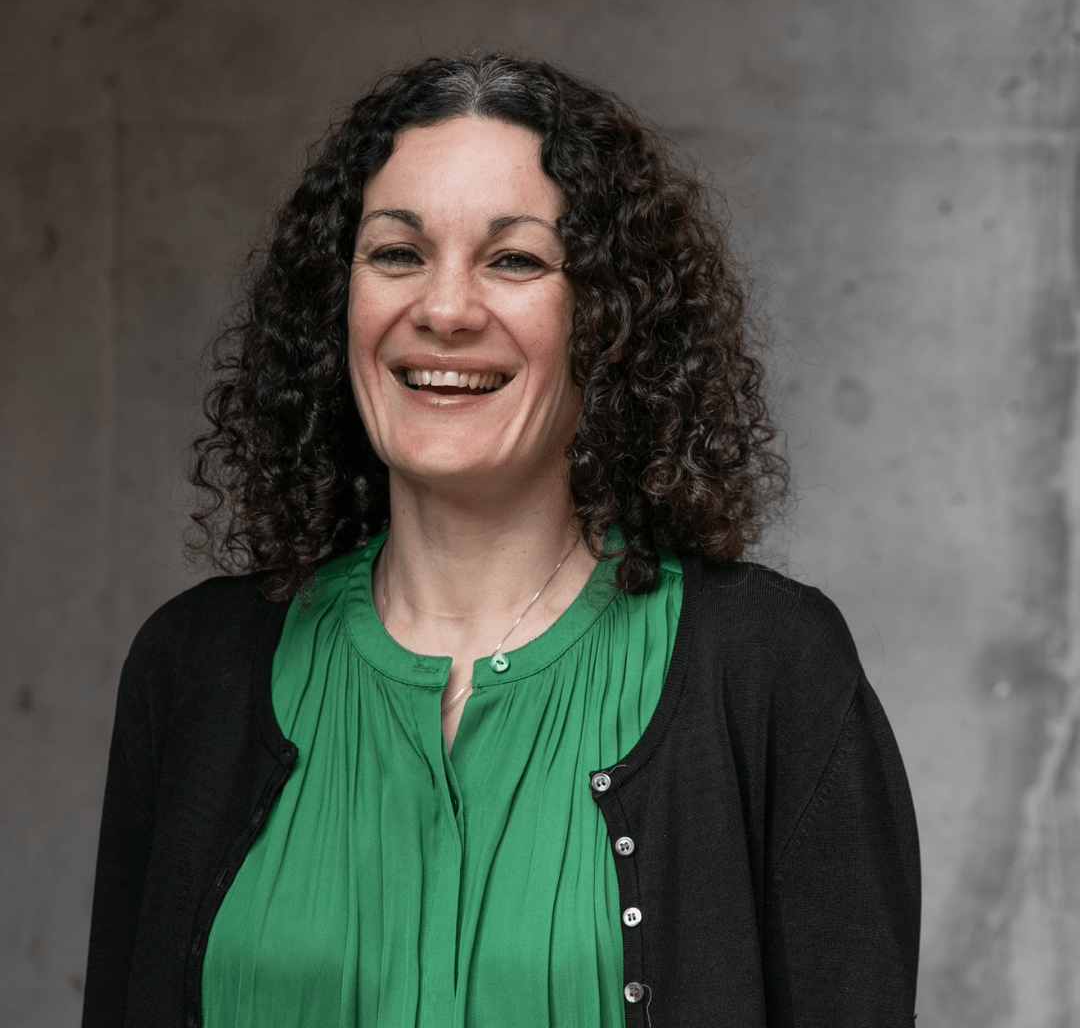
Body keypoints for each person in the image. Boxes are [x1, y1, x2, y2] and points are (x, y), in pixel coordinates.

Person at [82, 54, 920, 1028]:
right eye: (397, 253)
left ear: (609, 314)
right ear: (336, 299)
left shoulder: (771, 670)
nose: (443, 310)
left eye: (514, 259)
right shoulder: (193, 671)